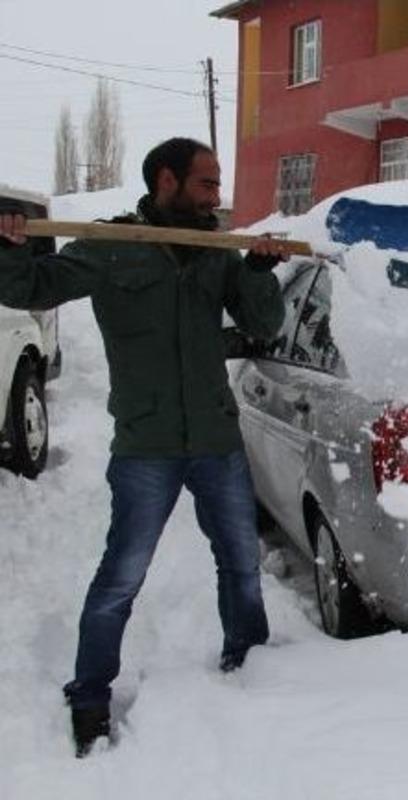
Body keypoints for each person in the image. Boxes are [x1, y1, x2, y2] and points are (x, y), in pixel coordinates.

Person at [0, 138, 288, 758]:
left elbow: (263, 324)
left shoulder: (216, 251)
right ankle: (89, 695)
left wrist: (258, 273)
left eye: (217, 184)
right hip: (146, 441)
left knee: (241, 563)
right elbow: (33, 288)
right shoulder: (112, 244)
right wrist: (11, 244)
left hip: (215, 437)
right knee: (121, 577)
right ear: (166, 180)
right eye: (207, 183)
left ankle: (251, 664)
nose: (216, 195)